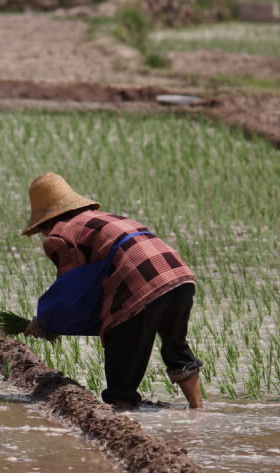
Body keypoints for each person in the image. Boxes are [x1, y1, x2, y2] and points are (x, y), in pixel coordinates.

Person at [21, 172, 203, 410]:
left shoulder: (59, 234)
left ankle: (123, 414)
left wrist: (44, 323)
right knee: (175, 345)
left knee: (121, 350)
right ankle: (197, 411)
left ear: (46, 222)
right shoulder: (108, 218)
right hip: (179, 277)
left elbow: (71, 291)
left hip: (140, 283)